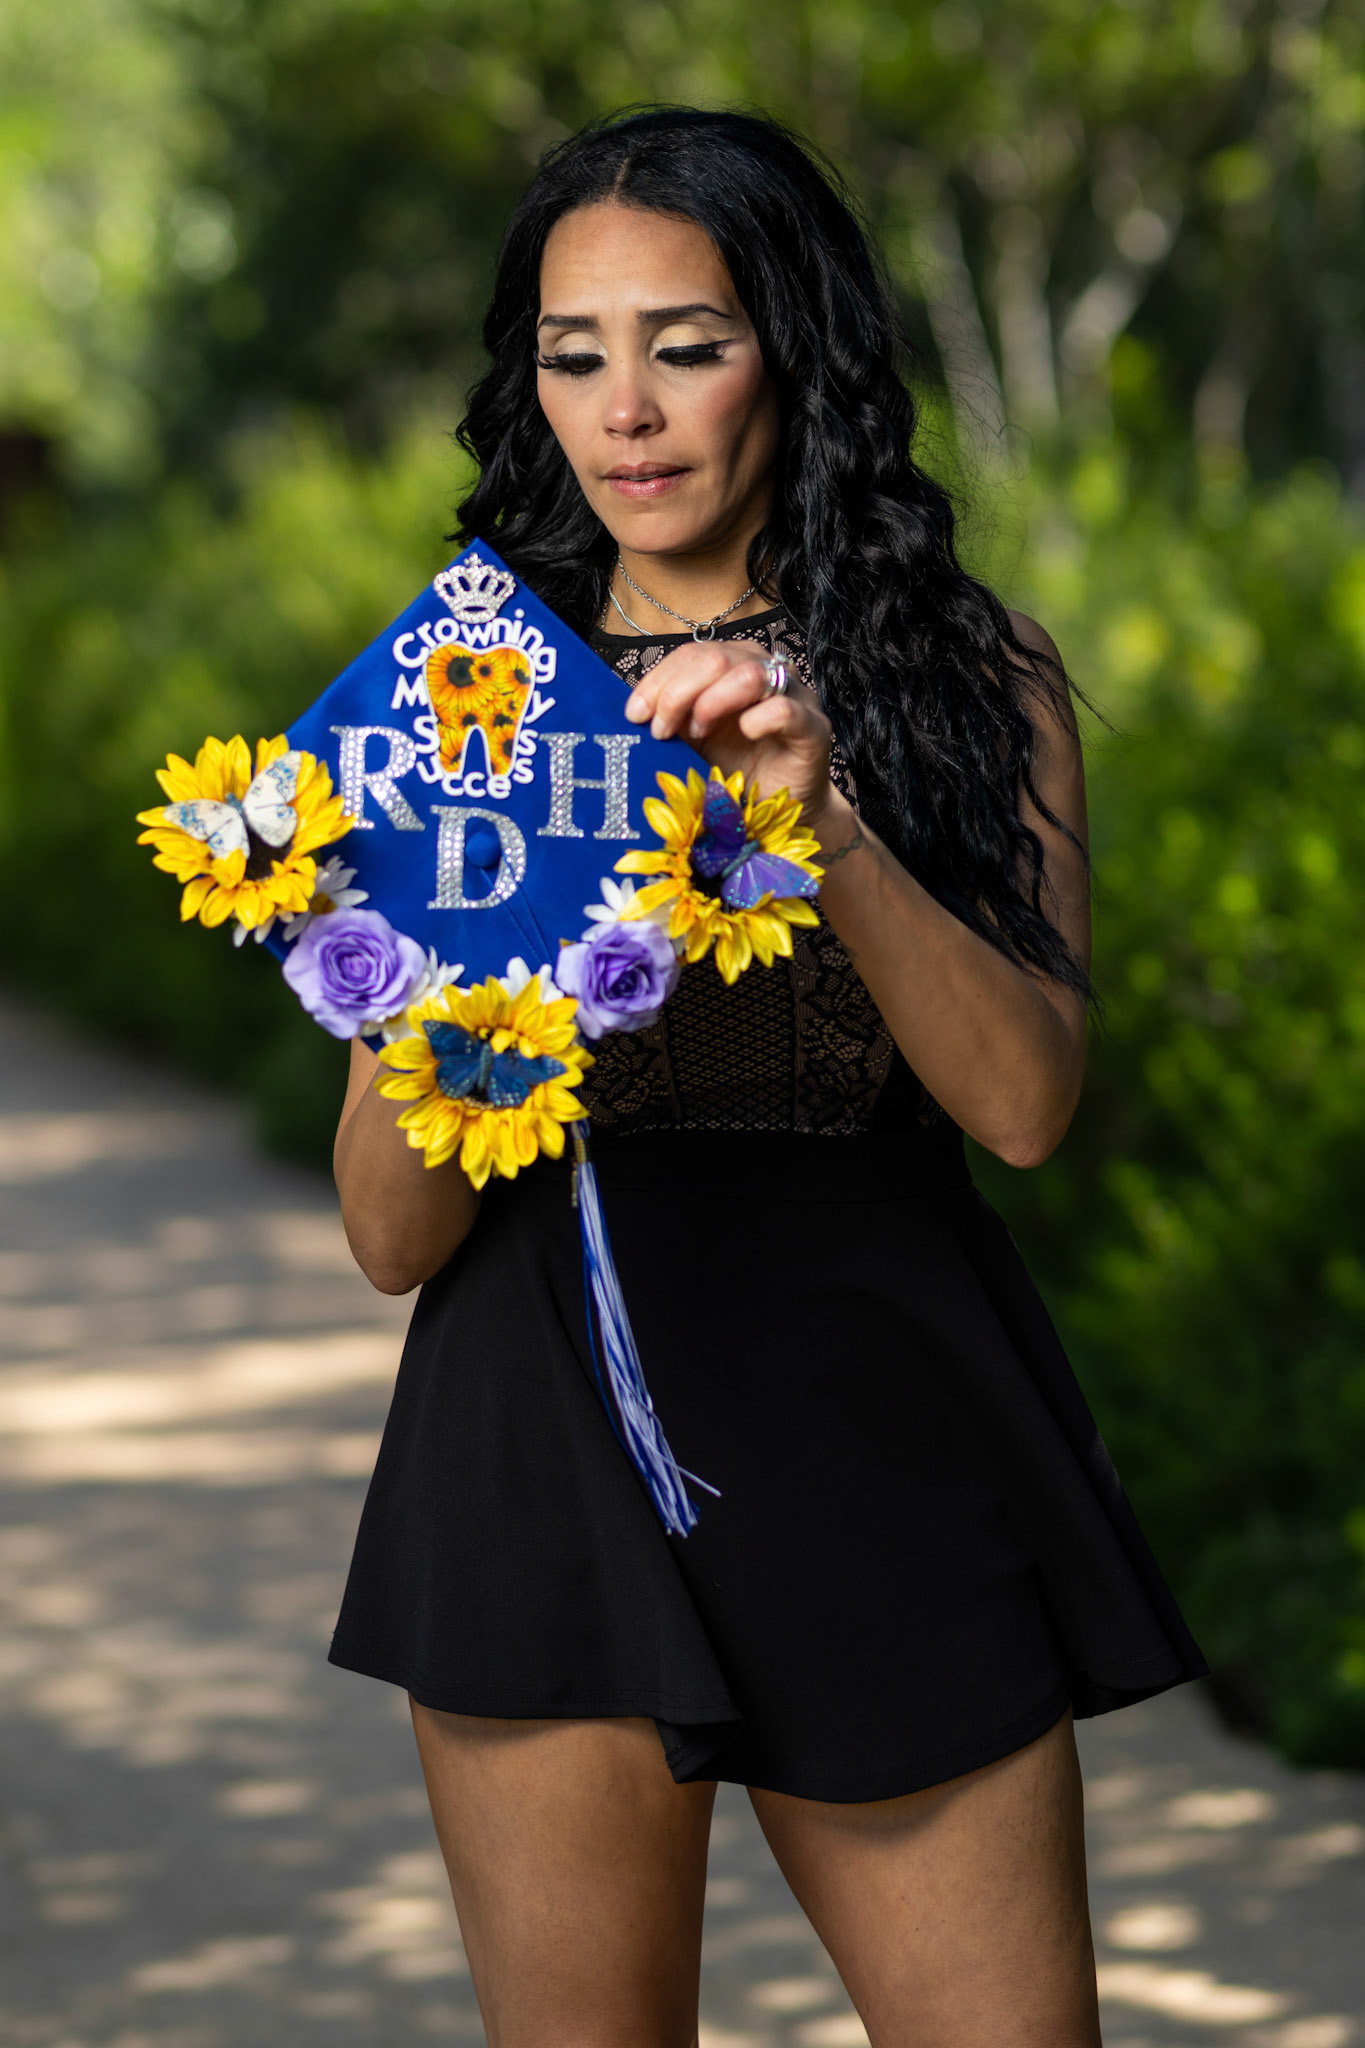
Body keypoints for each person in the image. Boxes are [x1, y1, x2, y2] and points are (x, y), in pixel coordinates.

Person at [330, 106, 1205, 2048]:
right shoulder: (468, 700)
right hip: (540, 1428)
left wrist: (820, 833)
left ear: (790, 351)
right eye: (574, 357)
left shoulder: (966, 677)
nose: (626, 412)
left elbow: (1024, 1107)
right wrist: (484, 919)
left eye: (686, 343)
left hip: (875, 1417)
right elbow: (388, 1236)